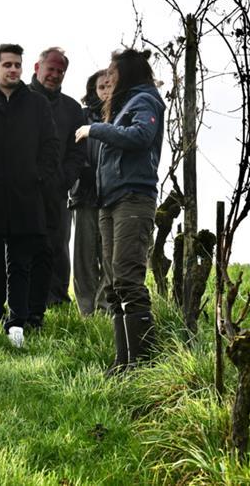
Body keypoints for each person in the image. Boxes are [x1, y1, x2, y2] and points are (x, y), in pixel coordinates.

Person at [0, 43, 59, 349]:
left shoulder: (37, 104)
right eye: (7, 65)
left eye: (18, 65)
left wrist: (37, 175)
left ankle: (16, 322)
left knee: (21, 263)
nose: (13, 70)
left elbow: (51, 146)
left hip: (26, 196)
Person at [75, 49, 165, 375]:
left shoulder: (144, 101)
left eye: (113, 71)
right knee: (115, 286)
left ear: (126, 72)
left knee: (128, 280)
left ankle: (141, 362)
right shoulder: (126, 104)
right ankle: (123, 362)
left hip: (132, 199)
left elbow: (141, 136)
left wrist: (94, 130)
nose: (108, 77)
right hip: (110, 202)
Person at [28, 47, 86, 327]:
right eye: (51, 69)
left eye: (60, 71)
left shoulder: (73, 109)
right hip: (21, 188)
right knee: (18, 246)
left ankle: (57, 300)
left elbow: (78, 152)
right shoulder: (18, 99)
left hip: (57, 189)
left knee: (57, 246)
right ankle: (19, 302)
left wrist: (65, 177)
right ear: (37, 67)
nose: (55, 75)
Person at [69, 69, 109, 316]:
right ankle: (86, 310)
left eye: (110, 85)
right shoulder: (82, 116)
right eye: (101, 86)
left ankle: (105, 307)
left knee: (109, 255)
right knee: (84, 256)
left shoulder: (122, 116)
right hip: (84, 192)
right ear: (93, 90)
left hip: (112, 195)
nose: (106, 90)